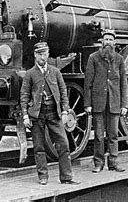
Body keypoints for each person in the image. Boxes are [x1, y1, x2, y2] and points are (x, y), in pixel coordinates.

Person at [20, 42, 80, 185]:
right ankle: (43, 176)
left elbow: (63, 91)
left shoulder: (55, 72)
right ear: (35, 55)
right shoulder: (30, 74)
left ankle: (66, 177)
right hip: (37, 115)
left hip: (55, 113)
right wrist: (25, 115)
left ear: (48, 54)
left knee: (64, 145)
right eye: (40, 54)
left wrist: (65, 110)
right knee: (39, 147)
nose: (43, 57)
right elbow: (24, 95)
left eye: (45, 54)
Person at [84, 29, 128, 173]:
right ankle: (98, 163)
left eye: (110, 39)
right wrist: (87, 104)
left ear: (114, 42)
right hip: (98, 103)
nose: (108, 42)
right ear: (101, 41)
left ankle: (114, 162)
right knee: (98, 135)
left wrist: (124, 105)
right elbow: (88, 83)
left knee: (113, 134)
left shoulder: (120, 59)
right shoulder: (93, 58)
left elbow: (123, 84)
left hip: (114, 103)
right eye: (106, 39)